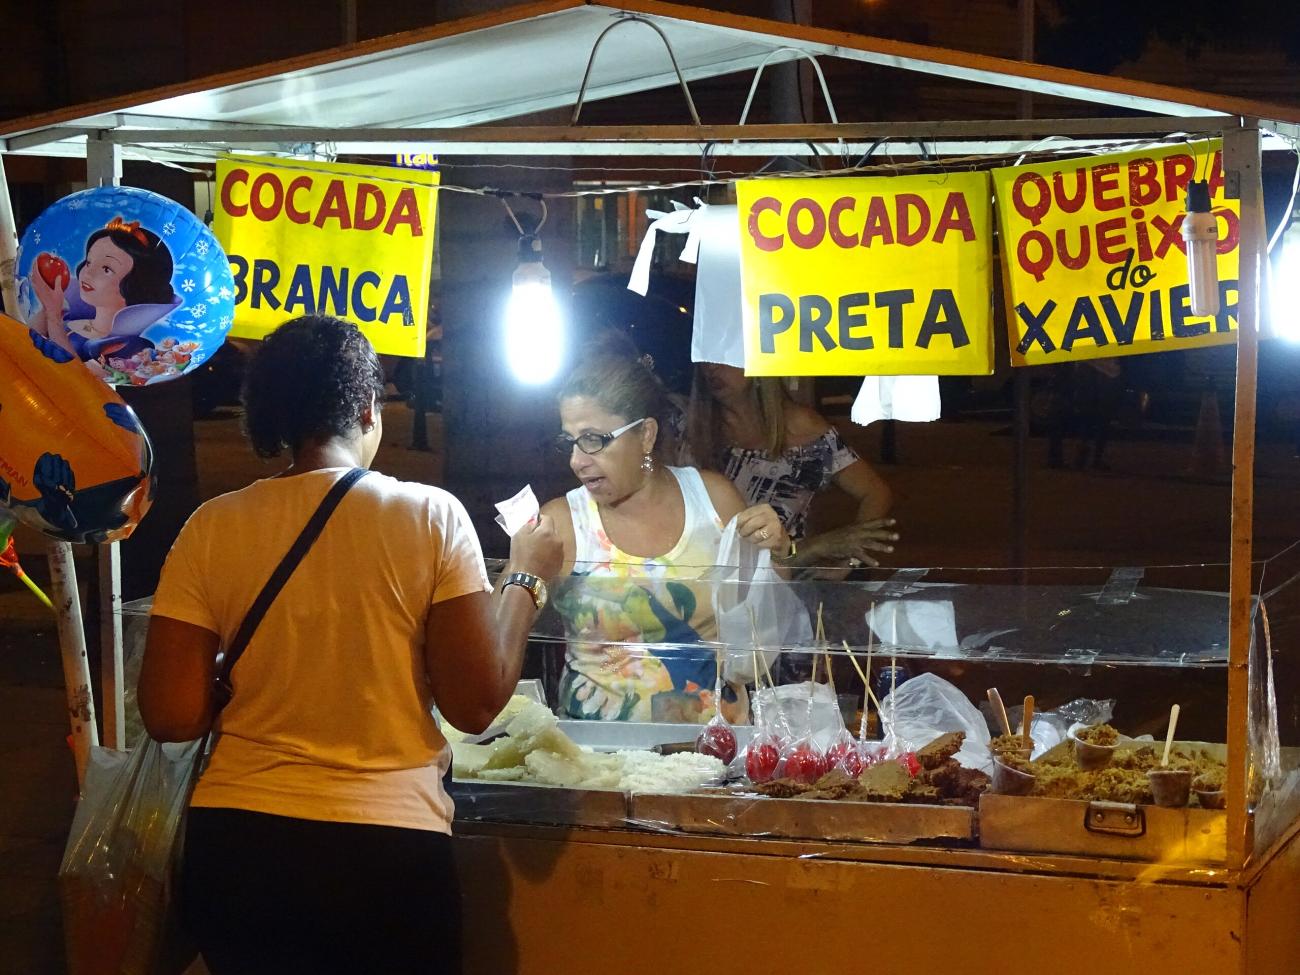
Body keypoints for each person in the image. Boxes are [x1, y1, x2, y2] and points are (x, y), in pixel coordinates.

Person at [138, 314, 561, 975]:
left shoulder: (210, 526)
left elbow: (169, 712)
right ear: (368, 406)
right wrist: (527, 580)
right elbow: (475, 703)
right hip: (384, 855)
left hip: (240, 850)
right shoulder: (429, 516)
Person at [540, 351, 792, 724]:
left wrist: (780, 553)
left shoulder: (714, 499)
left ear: (646, 435)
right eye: (570, 442)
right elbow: (493, 638)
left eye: (593, 439)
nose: (577, 460)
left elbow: (764, 623)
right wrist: (523, 570)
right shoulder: (561, 522)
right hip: (597, 762)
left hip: (714, 752)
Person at [685, 363, 897, 572]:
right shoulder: (687, 427)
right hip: (701, 578)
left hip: (780, 582)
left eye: (724, 359)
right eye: (705, 358)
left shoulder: (804, 430)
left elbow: (876, 492)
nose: (710, 367)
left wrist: (848, 564)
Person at [28, 216, 180, 377]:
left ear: (136, 285)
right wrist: (47, 307)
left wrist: (53, 316)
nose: (88, 273)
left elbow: (77, 375)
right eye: (89, 262)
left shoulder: (128, 345)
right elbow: (27, 345)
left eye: (106, 269)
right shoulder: (68, 316)